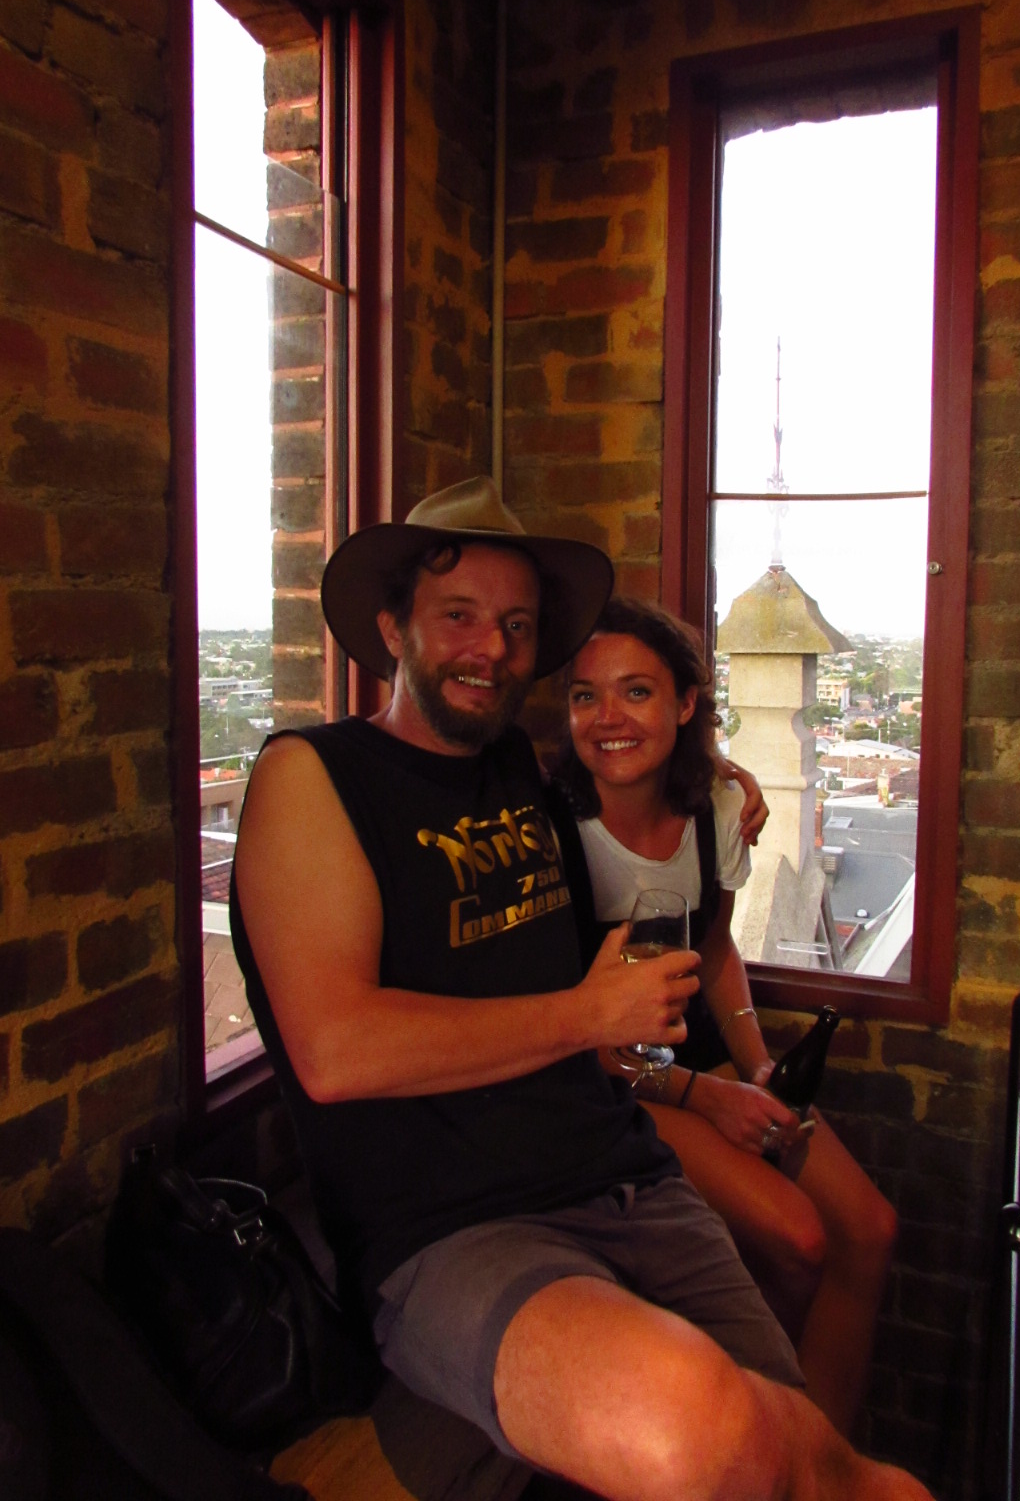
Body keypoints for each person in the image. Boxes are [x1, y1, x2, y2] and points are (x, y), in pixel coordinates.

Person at [231, 475, 933, 1501]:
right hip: (457, 1230)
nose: (491, 647)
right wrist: (585, 1017)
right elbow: (335, 1052)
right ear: (391, 628)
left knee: (819, 1470)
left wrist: (723, 776)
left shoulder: (517, 766)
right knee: (717, 1436)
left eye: (516, 626)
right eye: (459, 615)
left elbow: (640, 788)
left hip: (628, 1177)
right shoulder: (315, 773)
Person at [550, 596, 897, 1436]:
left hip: (697, 1059)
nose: (608, 717)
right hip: (610, 1083)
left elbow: (716, 951)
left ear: (685, 705)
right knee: (799, 1239)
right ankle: (770, 1447)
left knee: (869, 1229)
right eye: (586, 696)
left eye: (636, 692)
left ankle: (822, 1455)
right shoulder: (548, 828)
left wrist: (757, 1064)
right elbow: (563, 1028)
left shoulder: (715, 808)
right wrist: (710, 1097)